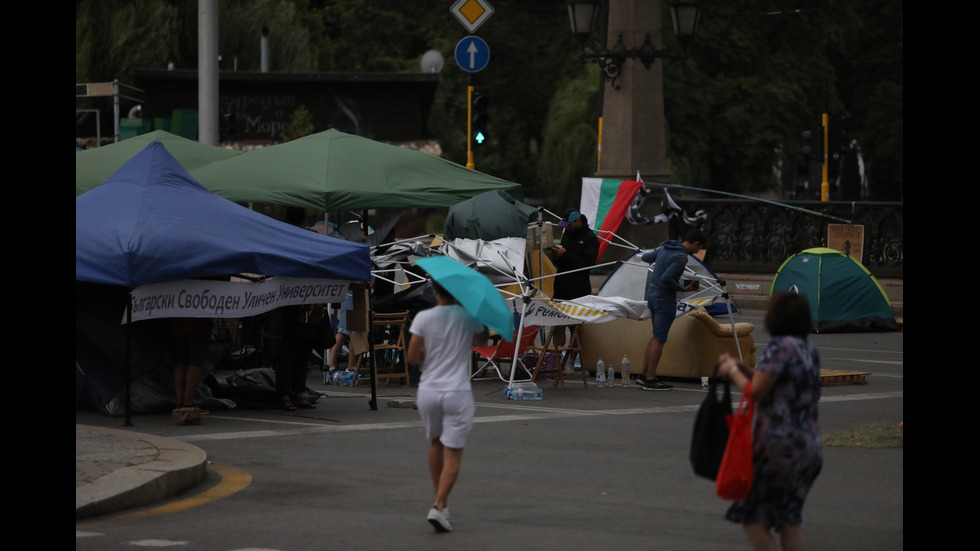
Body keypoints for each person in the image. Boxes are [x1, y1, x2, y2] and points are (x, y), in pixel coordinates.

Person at [717, 290, 823, 551]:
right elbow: (774, 380)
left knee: (752, 516)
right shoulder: (809, 350)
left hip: (779, 446)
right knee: (789, 519)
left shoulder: (780, 346)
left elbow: (756, 392)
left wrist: (732, 371)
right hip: (809, 447)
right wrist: (745, 370)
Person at [406, 281, 488, 533]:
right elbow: (482, 340)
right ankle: (439, 505)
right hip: (456, 391)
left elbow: (412, 357)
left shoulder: (423, 317)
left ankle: (441, 502)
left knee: (435, 443)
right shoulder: (467, 317)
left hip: (429, 390)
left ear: (435, 290)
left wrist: (426, 354)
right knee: (453, 451)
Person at [637, 228, 706, 391]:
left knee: (655, 336)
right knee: (660, 339)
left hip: (652, 295)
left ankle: (644, 375)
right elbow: (667, 277)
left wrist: (659, 253)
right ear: (696, 243)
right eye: (699, 248)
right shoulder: (681, 257)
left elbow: (646, 257)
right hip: (664, 298)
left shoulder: (666, 247)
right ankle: (651, 379)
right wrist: (682, 289)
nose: (698, 252)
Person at [551, 209, 599, 346]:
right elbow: (562, 261)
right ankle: (557, 358)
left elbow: (588, 265)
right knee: (557, 325)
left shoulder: (591, 238)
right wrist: (557, 256)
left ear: (577, 221)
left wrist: (566, 255)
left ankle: (572, 361)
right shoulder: (567, 234)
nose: (567, 228)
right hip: (561, 285)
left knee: (576, 327)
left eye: (569, 225)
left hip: (578, 287)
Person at [171, 317, 213, 424]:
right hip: (198, 321)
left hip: (178, 321)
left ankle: (179, 403)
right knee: (194, 363)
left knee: (181, 363)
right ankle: (187, 404)